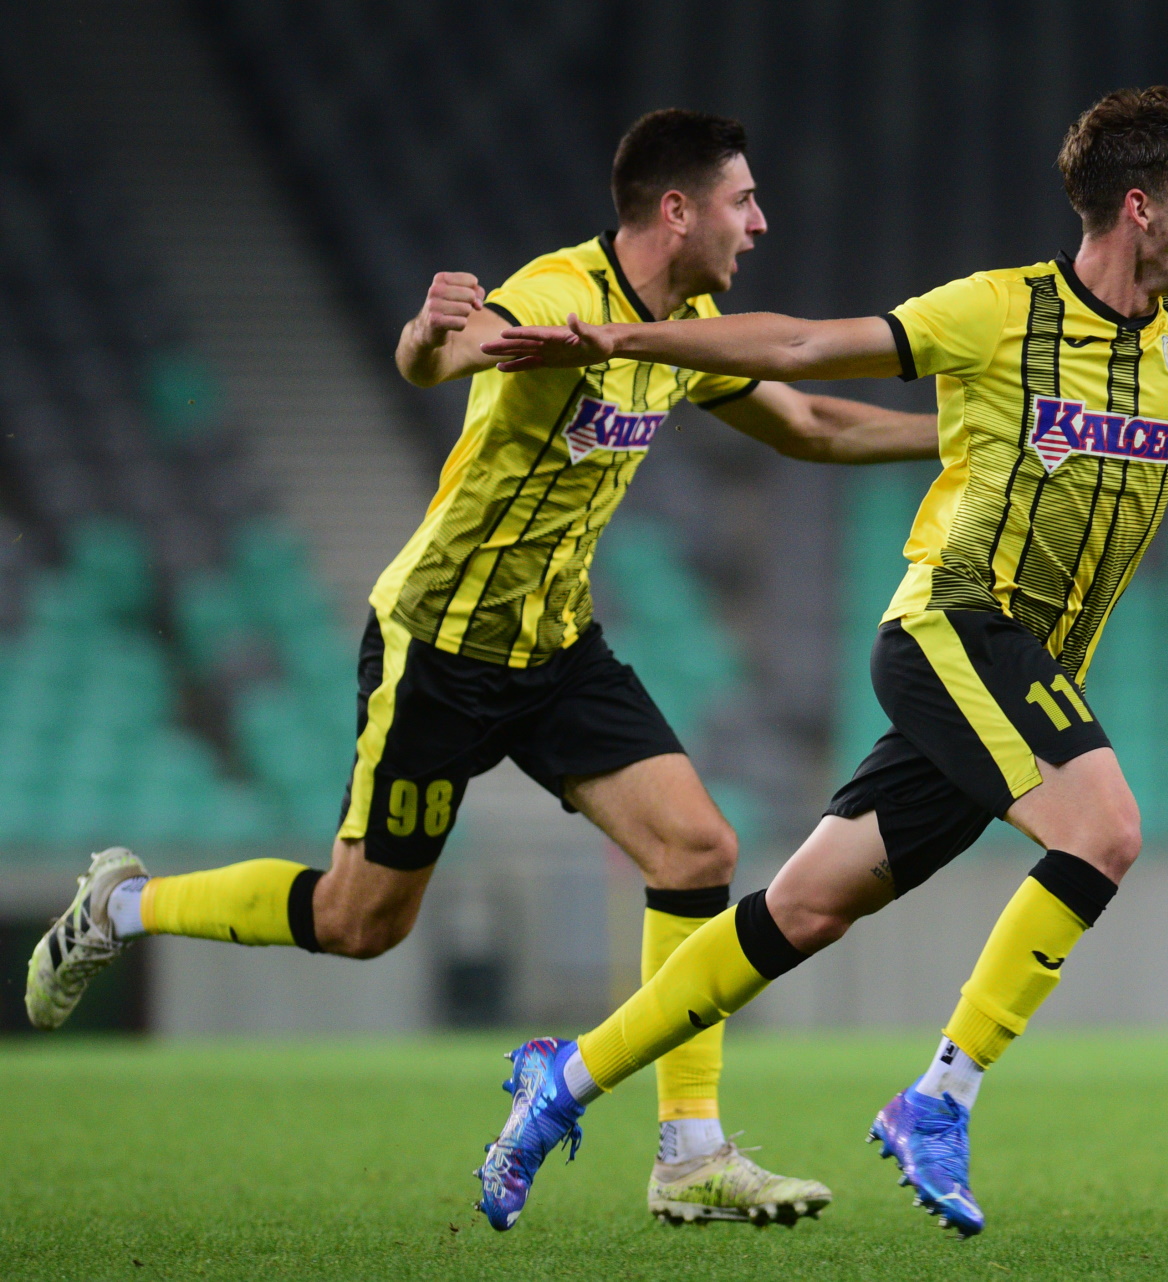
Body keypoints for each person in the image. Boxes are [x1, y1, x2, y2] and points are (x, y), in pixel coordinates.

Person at [466, 86, 1168, 1237]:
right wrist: (621, 336)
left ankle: (565, 1079)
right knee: (1105, 828)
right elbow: (804, 344)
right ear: (1141, 207)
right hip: (953, 626)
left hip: (1017, 668)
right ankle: (939, 1099)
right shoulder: (999, 312)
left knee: (802, 910)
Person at [25, 108, 939, 1230]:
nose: (759, 222)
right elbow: (455, 350)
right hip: (440, 650)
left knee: (699, 846)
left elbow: (813, 423)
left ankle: (690, 1152)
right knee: (362, 921)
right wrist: (428, 336)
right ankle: (123, 903)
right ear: (677, 210)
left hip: (556, 649)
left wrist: (967, 436)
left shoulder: (682, 329)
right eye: (742, 201)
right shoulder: (560, 291)